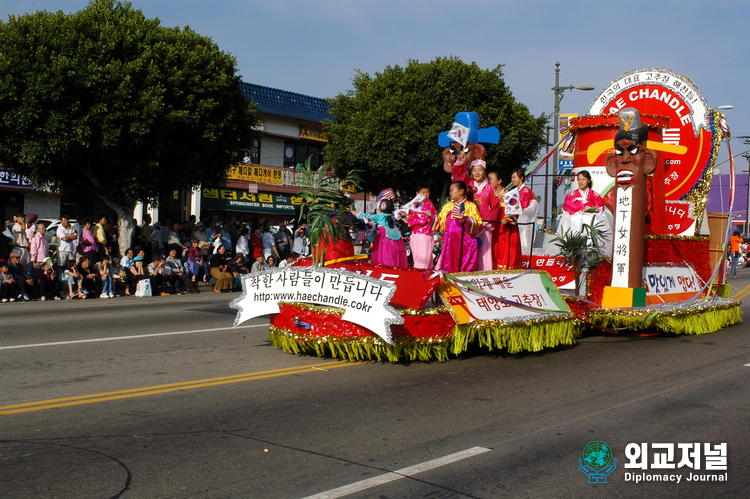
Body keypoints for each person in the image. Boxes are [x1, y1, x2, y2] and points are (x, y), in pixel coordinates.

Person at [557, 170, 613, 257]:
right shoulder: (571, 195)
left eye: (583, 179)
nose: (581, 182)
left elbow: (599, 207)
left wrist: (589, 210)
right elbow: (568, 206)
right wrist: (580, 209)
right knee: (575, 219)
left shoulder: (595, 195)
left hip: (591, 219)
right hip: (576, 217)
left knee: (596, 218)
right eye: (579, 179)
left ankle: (593, 247)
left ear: (588, 180)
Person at [433, 181, 482, 273]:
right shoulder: (448, 207)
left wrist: (466, 220)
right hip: (450, 243)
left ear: (461, 191)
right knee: (450, 264)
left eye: (451, 190)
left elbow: (478, 222)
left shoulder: (471, 206)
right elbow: (440, 224)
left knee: (466, 265)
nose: (450, 193)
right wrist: (431, 217)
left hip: (467, 242)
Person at [351, 199, 408, 267]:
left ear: (381, 208)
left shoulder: (380, 216)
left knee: (385, 258)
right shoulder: (393, 216)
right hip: (397, 240)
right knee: (395, 257)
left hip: (385, 240)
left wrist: (352, 212)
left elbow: (363, 216)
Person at [467, 160, 501, 271]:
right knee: (469, 250)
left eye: (480, 170)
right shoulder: (467, 187)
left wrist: (488, 221)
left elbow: (495, 206)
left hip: (485, 226)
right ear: (471, 172)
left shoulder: (490, 189)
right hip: (470, 225)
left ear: (484, 172)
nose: (477, 173)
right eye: (474, 170)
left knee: (484, 252)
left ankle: (484, 273)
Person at [488, 171, 521, 270]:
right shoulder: (489, 194)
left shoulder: (509, 194)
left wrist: (507, 219)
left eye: (491, 179)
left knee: (505, 249)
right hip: (493, 226)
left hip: (506, 227)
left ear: (499, 181)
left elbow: (515, 211)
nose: (489, 181)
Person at [405, 184, 438, 269]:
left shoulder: (429, 204)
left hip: (425, 234)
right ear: (417, 193)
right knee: (418, 259)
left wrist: (429, 216)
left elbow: (435, 218)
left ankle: (419, 278)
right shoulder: (412, 204)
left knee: (423, 261)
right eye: (423, 192)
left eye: (427, 192)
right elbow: (408, 217)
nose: (426, 195)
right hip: (414, 234)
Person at [509, 168, 538, 255]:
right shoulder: (517, 191)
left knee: (524, 229)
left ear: (521, 178)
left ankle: (525, 249)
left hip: (525, 213)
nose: (512, 180)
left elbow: (523, 205)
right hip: (521, 212)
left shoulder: (525, 190)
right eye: (512, 178)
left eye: (514, 177)